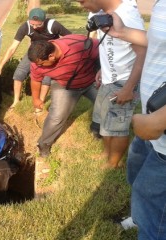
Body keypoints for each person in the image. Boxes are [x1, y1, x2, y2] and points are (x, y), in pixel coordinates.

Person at [102, 4, 166, 238]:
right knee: (137, 173)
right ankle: (141, 217)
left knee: (154, 206)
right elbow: (158, 41)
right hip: (151, 124)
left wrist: (160, 119)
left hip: (160, 127)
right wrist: (122, 32)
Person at [77, 0, 147, 169]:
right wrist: (103, 69)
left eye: (82, 1)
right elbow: (110, 47)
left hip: (123, 82)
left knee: (117, 127)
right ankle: (107, 153)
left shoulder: (127, 16)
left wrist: (128, 88)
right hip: (108, 79)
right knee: (105, 122)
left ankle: (113, 163)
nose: (82, 6)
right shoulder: (102, 13)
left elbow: (142, 54)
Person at [28, 35, 100, 158]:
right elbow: (35, 79)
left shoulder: (78, 43)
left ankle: (96, 126)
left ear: (51, 56)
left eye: (42, 64)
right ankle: (44, 143)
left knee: (106, 104)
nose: (38, 67)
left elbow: (103, 49)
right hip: (64, 85)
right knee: (57, 116)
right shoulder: (37, 63)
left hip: (91, 81)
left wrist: (101, 70)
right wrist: (36, 99)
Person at [0, 8, 71, 113]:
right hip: (34, 52)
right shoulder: (26, 26)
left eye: (38, 25)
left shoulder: (53, 25)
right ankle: (16, 101)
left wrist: (60, 52)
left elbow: (71, 38)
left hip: (48, 54)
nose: (34, 27)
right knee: (19, 73)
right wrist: (0, 66)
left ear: (44, 20)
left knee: (46, 79)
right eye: (32, 24)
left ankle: (40, 103)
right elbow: (13, 47)